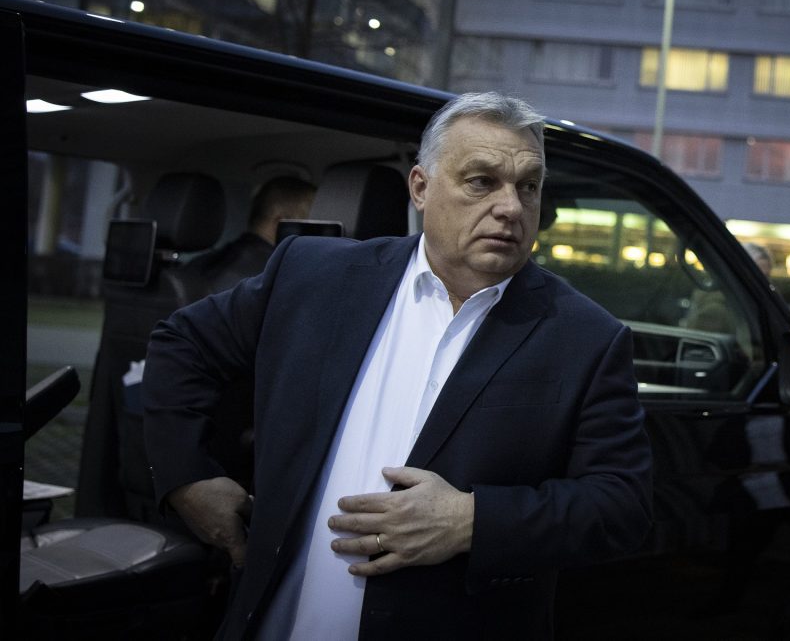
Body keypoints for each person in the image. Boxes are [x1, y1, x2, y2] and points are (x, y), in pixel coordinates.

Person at [142, 92, 653, 640]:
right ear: (420, 188)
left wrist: (472, 522)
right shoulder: (312, 276)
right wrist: (188, 477)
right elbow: (182, 344)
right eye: (481, 181)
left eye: (528, 186)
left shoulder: (585, 337)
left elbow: (621, 507)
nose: (511, 207)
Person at [188, 175, 316, 293]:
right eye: (309, 224)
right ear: (281, 223)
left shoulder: (199, 265)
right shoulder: (277, 277)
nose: (315, 235)